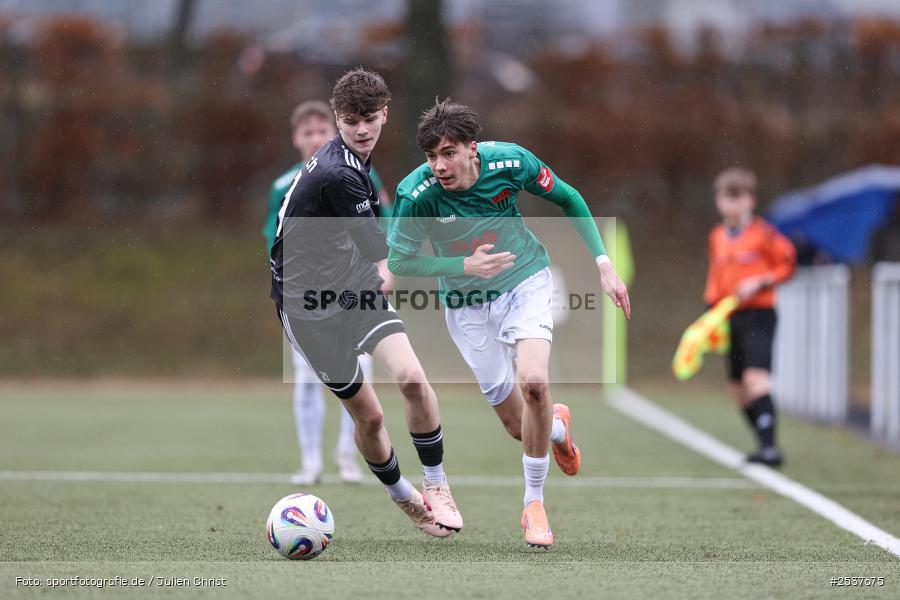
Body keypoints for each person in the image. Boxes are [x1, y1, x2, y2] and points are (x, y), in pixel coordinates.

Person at [387, 99, 631, 548]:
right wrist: (463, 264)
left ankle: (534, 505)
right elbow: (400, 260)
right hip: (466, 307)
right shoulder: (415, 194)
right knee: (520, 426)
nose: (439, 165)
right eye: (431, 156)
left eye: (448, 153)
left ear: (471, 149)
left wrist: (603, 264)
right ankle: (556, 428)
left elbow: (568, 196)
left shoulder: (511, 161)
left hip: (527, 282)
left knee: (535, 381)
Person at [269, 69, 462, 537]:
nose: (361, 129)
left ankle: (436, 485)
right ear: (338, 118)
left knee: (413, 378)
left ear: (384, 115)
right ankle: (405, 498)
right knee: (370, 417)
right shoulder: (338, 172)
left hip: (353, 288)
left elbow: (379, 253)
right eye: (352, 120)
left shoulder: (361, 169)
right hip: (308, 307)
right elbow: (386, 252)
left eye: (370, 119)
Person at [264, 100, 385, 485]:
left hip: (355, 286)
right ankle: (311, 461)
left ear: (333, 132)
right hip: (308, 296)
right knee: (307, 377)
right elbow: (274, 236)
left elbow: (383, 225)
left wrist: (384, 267)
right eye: (308, 132)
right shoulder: (283, 185)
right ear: (296, 138)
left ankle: (348, 458)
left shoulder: (363, 173)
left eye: (322, 131)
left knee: (361, 373)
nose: (316, 138)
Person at [704, 168, 797, 467]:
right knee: (738, 388)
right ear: (718, 201)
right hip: (731, 316)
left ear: (750, 201)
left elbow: (788, 263)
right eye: (725, 198)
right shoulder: (717, 236)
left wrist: (762, 280)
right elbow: (716, 277)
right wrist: (711, 310)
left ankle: (771, 448)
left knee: (755, 379)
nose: (731, 204)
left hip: (759, 314)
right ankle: (763, 441)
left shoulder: (763, 234)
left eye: (737, 198)